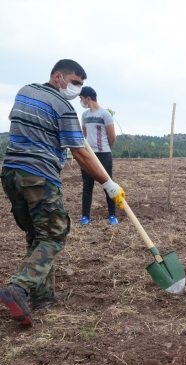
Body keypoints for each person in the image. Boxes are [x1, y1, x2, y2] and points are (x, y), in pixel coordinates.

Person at [0, 59, 126, 326]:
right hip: (39, 176)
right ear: (58, 76)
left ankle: (42, 296)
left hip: (11, 173)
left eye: (81, 86)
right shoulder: (63, 107)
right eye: (75, 83)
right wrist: (108, 183)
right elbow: (80, 152)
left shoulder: (24, 91)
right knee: (54, 235)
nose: (77, 90)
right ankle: (20, 287)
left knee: (37, 234)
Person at [79, 86, 119, 225]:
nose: (81, 101)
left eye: (81, 98)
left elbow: (112, 137)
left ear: (87, 98)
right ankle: (85, 217)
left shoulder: (105, 114)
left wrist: (105, 148)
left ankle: (112, 216)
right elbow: (84, 135)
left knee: (108, 185)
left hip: (104, 155)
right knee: (87, 186)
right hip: (88, 155)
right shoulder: (84, 115)